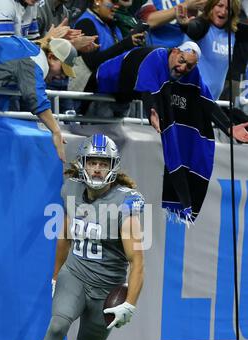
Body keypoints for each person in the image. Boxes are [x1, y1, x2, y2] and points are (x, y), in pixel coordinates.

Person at [13, 134, 145, 340]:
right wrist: (56, 275)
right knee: (57, 326)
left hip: (107, 287)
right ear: (83, 164)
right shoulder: (72, 188)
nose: (97, 169)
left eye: (103, 163)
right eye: (92, 162)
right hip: (75, 274)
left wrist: (130, 303)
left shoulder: (127, 201)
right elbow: (65, 236)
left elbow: (137, 261)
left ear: (113, 166)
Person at [94, 42, 248, 223]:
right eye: (181, 60)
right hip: (100, 88)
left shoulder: (191, 73)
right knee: (94, 150)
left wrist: (229, 127)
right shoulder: (155, 58)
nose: (182, 68)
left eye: (189, 65)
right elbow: (148, 87)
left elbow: (206, 101)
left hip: (125, 99)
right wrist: (152, 109)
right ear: (174, 51)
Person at [0, 36, 78, 161]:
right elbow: (35, 98)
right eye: (62, 70)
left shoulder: (29, 48)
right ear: (51, 57)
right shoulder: (32, 62)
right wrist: (56, 131)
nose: (62, 77)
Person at [176, 0, 246, 100]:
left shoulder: (233, 32)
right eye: (220, 6)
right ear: (211, 7)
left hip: (211, 100)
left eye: (228, 9)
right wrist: (185, 25)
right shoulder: (202, 24)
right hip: (190, 96)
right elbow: (193, 28)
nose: (223, 11)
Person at [138, 0, 207, 47]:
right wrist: (185, 5)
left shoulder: (195, 2)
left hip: (183, 53)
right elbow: (148, 21)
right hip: (156, 51)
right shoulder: (153, 1)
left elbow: (202, 29)